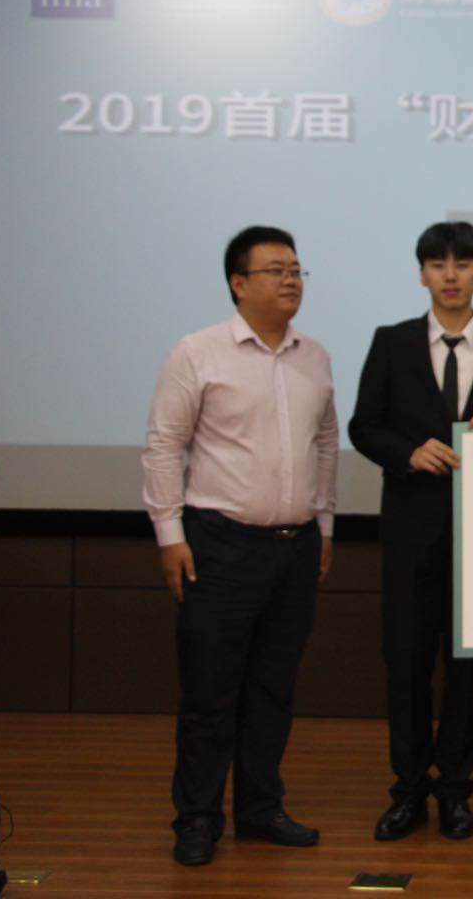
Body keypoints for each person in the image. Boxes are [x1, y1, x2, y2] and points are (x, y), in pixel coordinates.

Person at [142, 225, 338, 868]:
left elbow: (325, 444)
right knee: (210, 691)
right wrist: (170, 535)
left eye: (297, 270)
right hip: (219, 544)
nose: (291, 281)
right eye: (276, 270)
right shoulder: (197, 353)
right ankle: (198, 816)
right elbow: (165, 446)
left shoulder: (315, 356)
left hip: (295, 545)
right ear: (238, 282)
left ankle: (260, 807)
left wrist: (325, 524)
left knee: (273, 689)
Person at [349, 222, 473, 842]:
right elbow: (364, 426)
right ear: (421, 274)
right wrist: (408, 453)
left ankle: (456, 789)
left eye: (462, 264)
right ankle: (408, 790)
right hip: (410, 532)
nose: (450, 275)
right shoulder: (392, 342)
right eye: (437, 264)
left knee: (467, 669)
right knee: (405, 663)